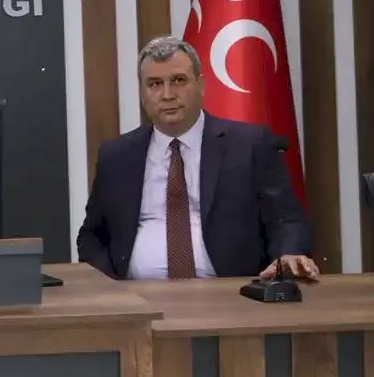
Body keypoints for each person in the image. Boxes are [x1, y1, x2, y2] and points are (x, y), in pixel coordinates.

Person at [77, 35, 317, 281]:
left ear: (201, 84)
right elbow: (92, 237)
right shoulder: (116, 156)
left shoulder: (250, 145)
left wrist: (289, 253)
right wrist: (112, 288)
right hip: (136, 294)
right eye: (154, 84)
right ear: (142, 92)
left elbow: (286, 219)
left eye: (178, 81)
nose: (167, 94)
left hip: (231, 293)